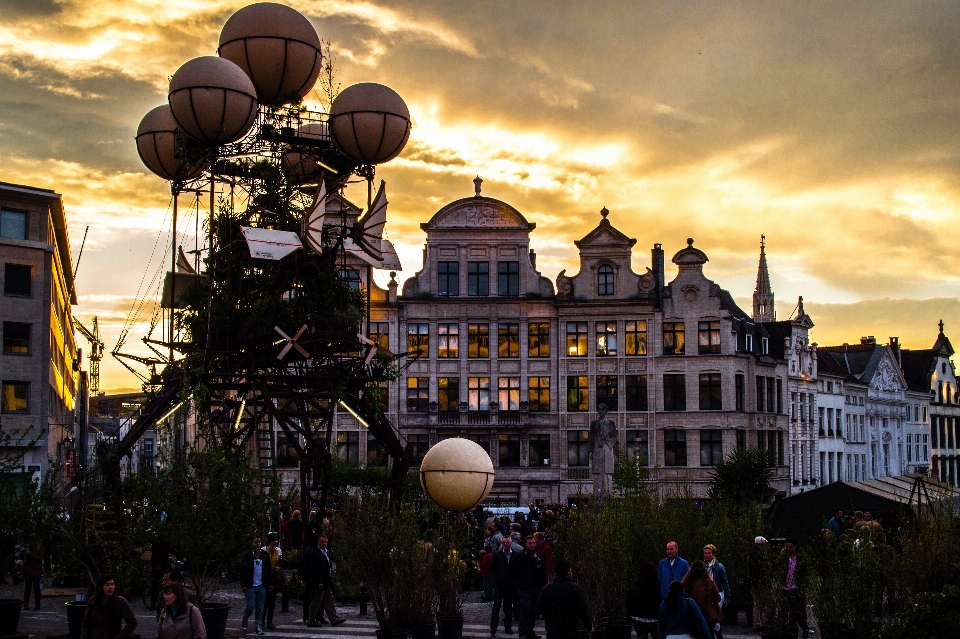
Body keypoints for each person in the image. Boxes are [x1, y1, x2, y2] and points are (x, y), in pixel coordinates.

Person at [535, 560, 591, 639]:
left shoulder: (548, 589)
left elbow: (539, 608)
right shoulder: (575, 589)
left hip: (552, 629)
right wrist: (589, 627)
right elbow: (583, 611)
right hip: (570, 629)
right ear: (568, 573)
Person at [81, 574, 138, 639]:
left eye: (112, 584)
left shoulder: (120, 602)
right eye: (107, 585)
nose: (110, 587)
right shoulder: (93, 601)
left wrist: (119, 636)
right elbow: (86, 623)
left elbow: (132, 623)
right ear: (100, 587)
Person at [305, 536, 345, 628]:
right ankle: (311, 620)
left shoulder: (326, 553)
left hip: (326, 582)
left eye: (325, 542)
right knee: (316, 602)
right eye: (322, 542)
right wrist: (319, 582)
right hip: (319, 583)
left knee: (329, 601)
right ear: (318, 542)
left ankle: (334, 619)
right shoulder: (315, 553)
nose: (324, 544)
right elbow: (315, 569)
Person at [681, 561, 722, 639]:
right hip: (708, 614)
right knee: (709, 634)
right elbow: (718, 598)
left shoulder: (687, 582)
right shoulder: (710, 582)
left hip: (691, 613)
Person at [516, 535, 547, 639]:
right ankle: (523, 632)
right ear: (525, 544)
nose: (532, 545)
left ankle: (530, 631)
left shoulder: (538, 555)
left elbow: (541, 569)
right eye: (530, 543)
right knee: (525, 609)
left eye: (534, 543)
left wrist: (541, 581)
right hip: (525, 587)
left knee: (533, 610)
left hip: (535, 586)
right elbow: (515, 571)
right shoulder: (521, 556)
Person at [240, 536, 270, 635]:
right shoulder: (248, 555)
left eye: (259, 542)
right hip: (250, 585)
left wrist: (269, 582)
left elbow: (267, 570)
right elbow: (243, 570)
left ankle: (258, 625)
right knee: (251, 605)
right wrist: (243, 584)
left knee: (260, 606)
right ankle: (245, 617)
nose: (258, 544)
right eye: (255, 542)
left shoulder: (264, 555)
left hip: (261, 584)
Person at [490, 536, 519, 635]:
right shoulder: (497, 555)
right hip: (499, 584)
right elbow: (491, 568)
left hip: (510, 585)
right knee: (496, 606)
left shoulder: (515, 555)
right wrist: (496, 578)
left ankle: (508, 626)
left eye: (507, 543)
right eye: (504, 543)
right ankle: (494, 626)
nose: (505, 545)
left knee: (508, 607)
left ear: (510, 543)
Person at [780, 540, 809, 638]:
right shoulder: (784, 558)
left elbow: (804, 574)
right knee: (784, 609)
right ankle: (787, 628)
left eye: (790, 547)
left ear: (795, 547)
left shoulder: (801, 559)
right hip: (786, 587)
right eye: (787, 547)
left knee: (795, 610)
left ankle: (795, 628)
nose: (788, 549)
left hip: (796, 587)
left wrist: (803, 588)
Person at [589, 403, 617, 499]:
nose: (599, 412)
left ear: (606, 411)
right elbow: (591, 438)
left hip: (607, 449)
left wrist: (606, 442)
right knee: (597, 471)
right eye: (598, 410)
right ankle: (597, 494)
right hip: (597, 449)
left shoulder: (610, 423)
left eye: (601, 410)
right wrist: (591, 451)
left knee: (607, 471)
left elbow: (614, 437)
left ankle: (607, 494)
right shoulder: (594, 424)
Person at [626, 562, 661, 639]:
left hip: (638, 618)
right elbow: (658, 601)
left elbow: (630, 600)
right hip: (653, 618)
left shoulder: (636, 584)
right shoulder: (656, 584)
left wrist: (629, 616)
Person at [702, 544, 730, 634]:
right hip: (706, 593)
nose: (706, 555)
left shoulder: (719, 567)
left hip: (718, 592)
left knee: (714, 613)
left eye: (709, 553)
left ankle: (715, 630)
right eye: (705, 553)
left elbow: (725, 582)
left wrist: (727, 597)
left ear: (713, 554)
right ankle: (715, 630)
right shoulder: (702, 566)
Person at [262, 533, 283, 629]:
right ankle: (262, 618)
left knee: (272, 600)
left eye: (277, 540)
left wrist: (278, 567)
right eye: (275, 540)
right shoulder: (263, 550)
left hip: (274, 576)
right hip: (265, 577)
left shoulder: (278, 551)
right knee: (264, 600)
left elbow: (280, 562)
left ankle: (269, 620)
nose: (276, 542)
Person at [22, 536, 44, 610]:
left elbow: (39, 558)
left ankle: (37, 605)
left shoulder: (40, 548)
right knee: (28, 588)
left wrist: (31, 555)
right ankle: (26, 604)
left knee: (36, 587)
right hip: (28, 569)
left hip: (35, 569)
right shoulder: (29, 548)